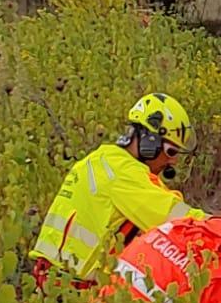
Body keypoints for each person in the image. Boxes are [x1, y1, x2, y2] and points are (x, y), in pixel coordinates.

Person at [31, 93, 201, 288]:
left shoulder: (105, 160)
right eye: (171, 151)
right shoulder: (122, 173)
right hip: (72, 287)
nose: (173, 161)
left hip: (54, 280)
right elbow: (176, 219)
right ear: (150, 141)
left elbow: (159, 196)